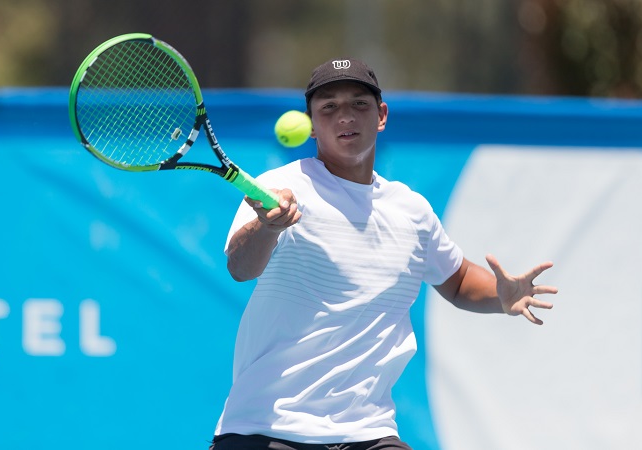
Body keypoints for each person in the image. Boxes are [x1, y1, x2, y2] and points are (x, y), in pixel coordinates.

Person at [209, 58, 558, 450]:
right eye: (329, 107)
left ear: (381, 116)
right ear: (310, 123)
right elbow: (240, 267)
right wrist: (267, 226)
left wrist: (502, 295)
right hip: (266, 427)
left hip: (367, 432)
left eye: (359, 104)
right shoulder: (277, 188)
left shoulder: (411, 211)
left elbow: (458, 280)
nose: (345, 117)